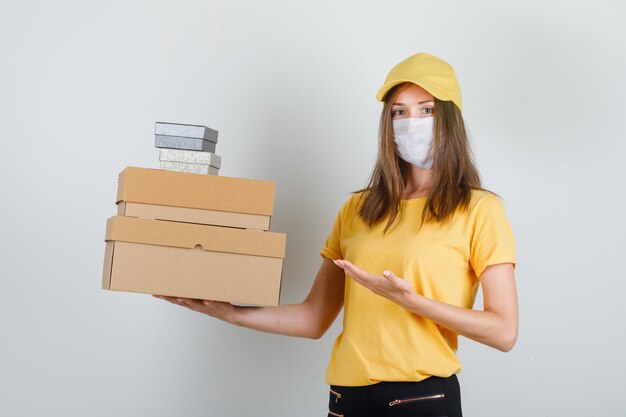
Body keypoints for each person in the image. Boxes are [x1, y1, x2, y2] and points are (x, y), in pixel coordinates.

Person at [155, 52, 518, 417]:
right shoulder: (359, 209)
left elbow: (504, 332)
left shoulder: (479, 209)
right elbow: (315, 318)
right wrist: (229, 313)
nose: (412, 122)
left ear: (450, 119)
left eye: (427, 110)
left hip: (421, 401)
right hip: (347, 400)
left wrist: (415, 303)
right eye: (399, 112)